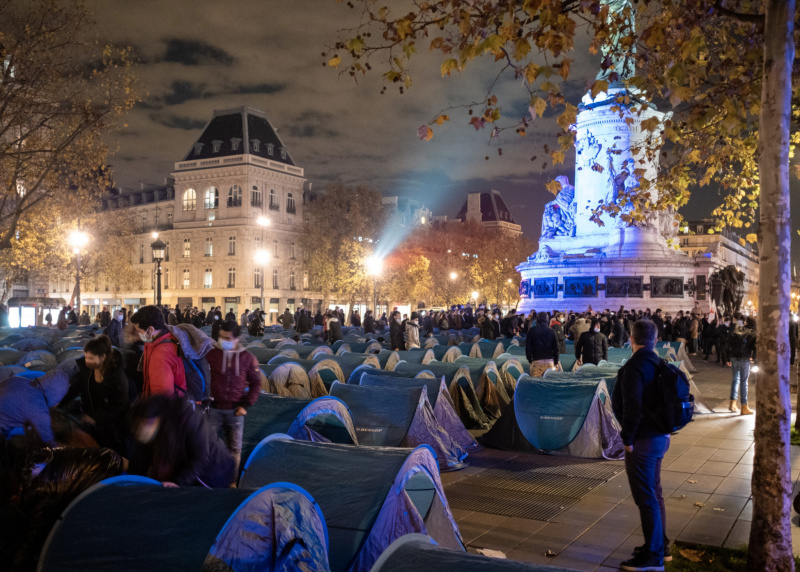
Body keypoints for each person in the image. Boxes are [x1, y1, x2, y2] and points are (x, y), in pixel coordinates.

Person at [611, 319, 671, 571]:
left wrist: (627, 439)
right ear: (655, 340)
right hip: (661, 437)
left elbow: (632, 406)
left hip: (643, 441)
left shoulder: (634, 367)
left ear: (631, 339)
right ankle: (660, 546)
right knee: (655, 494)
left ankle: (654, 558)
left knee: (646, 498)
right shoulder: (660, 363)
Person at [128, 396, 234, 488]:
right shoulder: (151, 422)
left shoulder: (188, 416)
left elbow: (200, 458)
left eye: (143, 425)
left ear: (155, 420)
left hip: (214, 474)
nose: (140, 431)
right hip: (191, 474)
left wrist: (177, 482)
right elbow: (140, 460)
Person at [206, 321, 261, 481]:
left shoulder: (247, 358)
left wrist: (246, 405)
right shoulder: (211, 355)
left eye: (228, 338)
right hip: (213, 409)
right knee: (208, 446)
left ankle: (231, 482)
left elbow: (256, 384)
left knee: (234, 449)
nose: (224, 341)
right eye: (221, 337)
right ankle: (208, 480)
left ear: (237, 339)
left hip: (235, 411)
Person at [58, 336, 129, 452]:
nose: (87, 361)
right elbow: (75, 388)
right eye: (85, 357)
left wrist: (95, 418)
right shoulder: (87, 372)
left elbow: (120, 406)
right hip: (91, 424)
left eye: (91, 358)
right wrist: (60, 402)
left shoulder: (117, 377)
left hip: (112, 428)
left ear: (103, 357)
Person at [0, 370, 70, 447]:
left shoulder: (20, 380)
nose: (57, 404)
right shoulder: (39, 409)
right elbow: (48, 442)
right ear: (56, 395)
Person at [130, 305, 186, 398]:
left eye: (139, 331)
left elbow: (161, 396)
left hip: (165, 409)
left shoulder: (160, 354)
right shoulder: (167, 339)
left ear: (151, 329)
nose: (138, 334)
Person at [728, 312, 756, 414]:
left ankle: (732, 403)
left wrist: (728, 357)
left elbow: (730, 342)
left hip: (734, 357)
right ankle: (744, 406)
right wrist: (754, 359)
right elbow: (755, 347)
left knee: (735, 380)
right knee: (744, 382)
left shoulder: (738, 329)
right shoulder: (753, 332)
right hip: (744, 358)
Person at [525, 312, 560, 376]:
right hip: (549, 361)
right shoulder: (552, 332)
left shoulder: (532, 331)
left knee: (536, 384)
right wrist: (556, 362)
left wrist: (530, 360)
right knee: (549, 385)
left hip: (536, 361)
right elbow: (556, 348)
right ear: (547, 320)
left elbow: (528, 347)